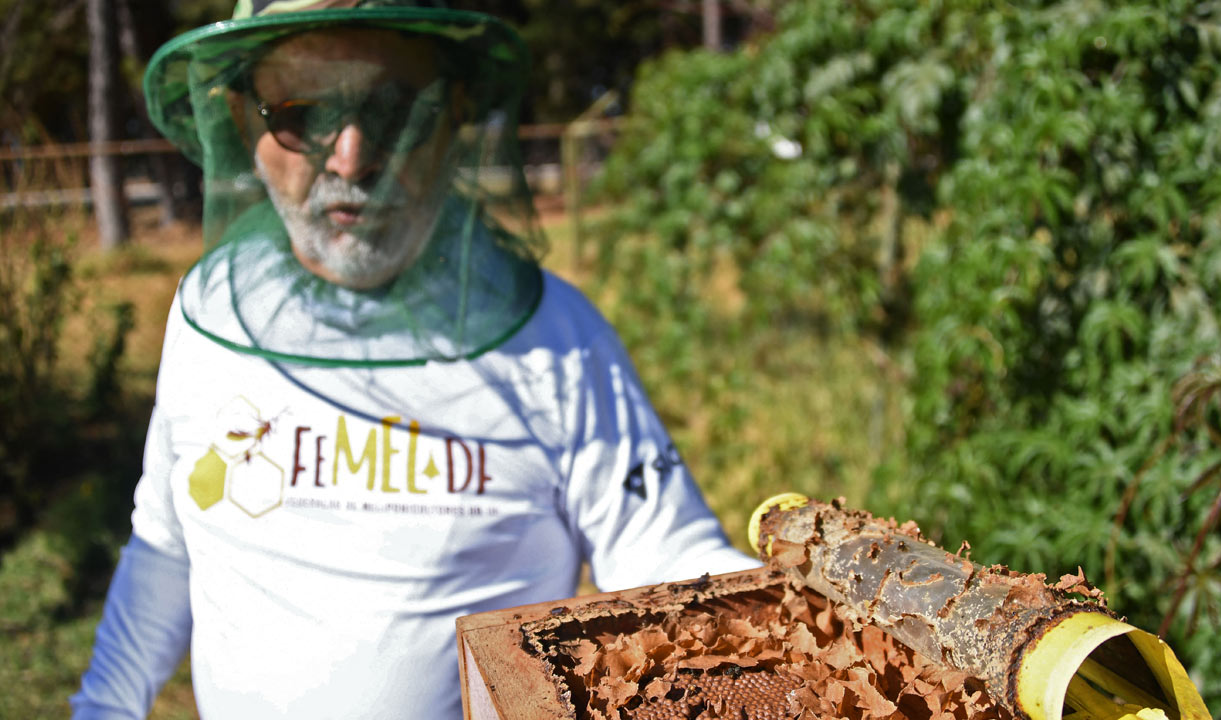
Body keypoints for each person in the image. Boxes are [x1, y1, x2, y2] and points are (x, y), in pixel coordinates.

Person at [71, 1, 758, 718]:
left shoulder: (558, 338)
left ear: (453, 114)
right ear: (245, 123)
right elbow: (165, 542)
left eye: (395, 110)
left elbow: (665, 554)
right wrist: (104, 706)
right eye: (301, 114)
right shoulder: (204, 315)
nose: (352, 157)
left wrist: (802, 613)